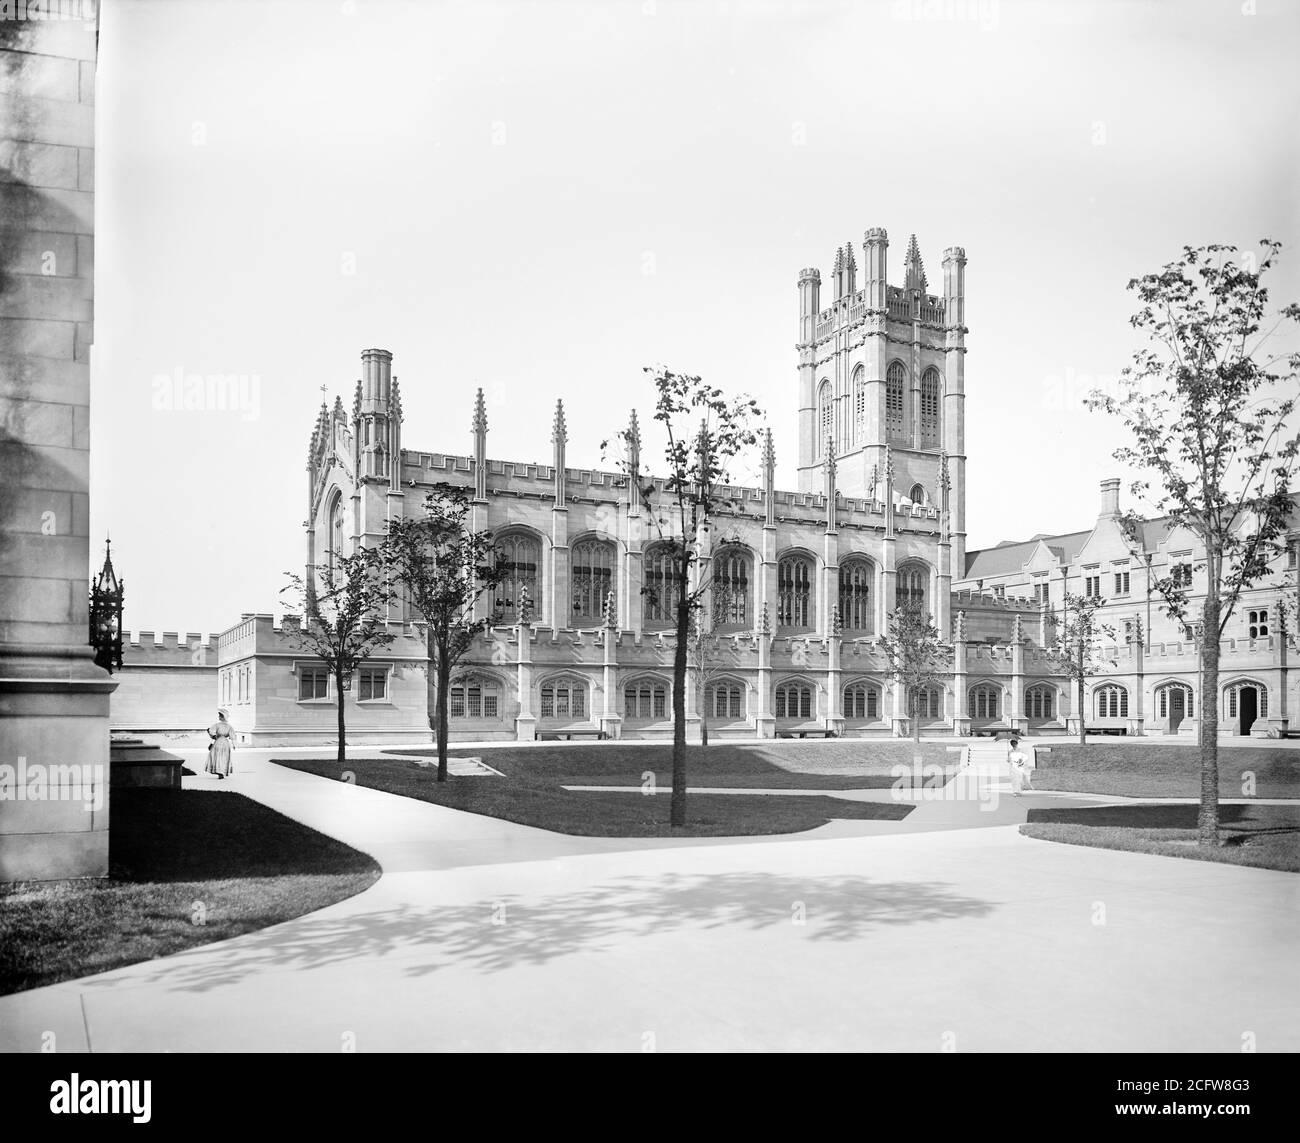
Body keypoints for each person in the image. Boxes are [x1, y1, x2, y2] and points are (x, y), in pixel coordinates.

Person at [206, 709, 235, 779]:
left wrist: (210, 733)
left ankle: (219, 770)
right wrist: (233, 745)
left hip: (218, 742)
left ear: (222, 717)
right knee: (224, 757)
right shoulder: (229, 726)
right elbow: (232, 736)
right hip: (225, 743)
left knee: (217, 756)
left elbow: (212, 734)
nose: (219, 717)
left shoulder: (217, 725)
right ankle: (222, 770)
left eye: (220, 716)